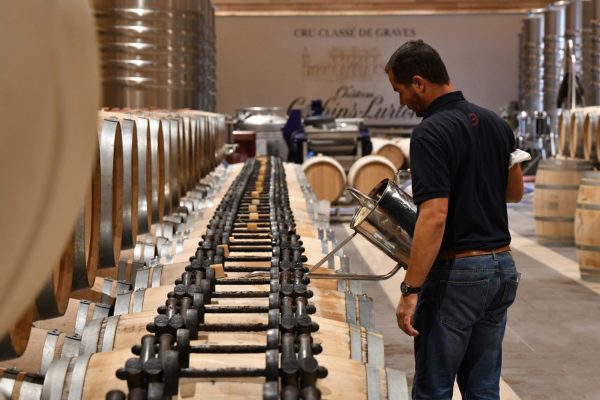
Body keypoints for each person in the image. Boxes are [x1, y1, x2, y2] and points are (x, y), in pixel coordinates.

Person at [385, 40, 524, 400]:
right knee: (482, 388)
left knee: (434, 388)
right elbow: (514, 192)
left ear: (418, 82)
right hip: (502, 269)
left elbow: (434, 216)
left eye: (399, 91)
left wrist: (409, 290)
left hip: (459, 275)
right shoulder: (496, 123)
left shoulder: (430, 132)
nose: (401, 101)